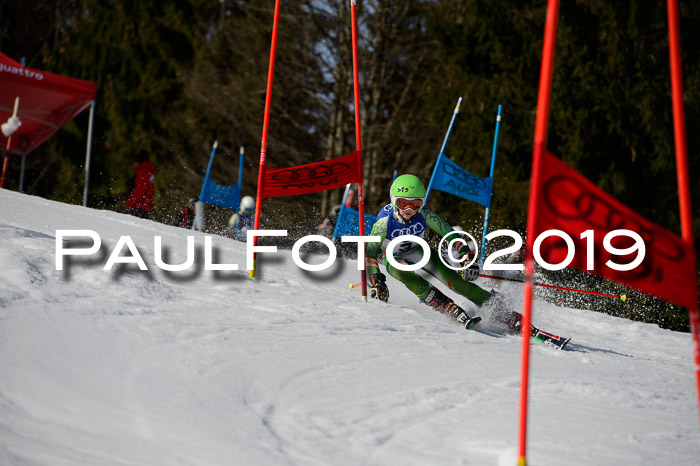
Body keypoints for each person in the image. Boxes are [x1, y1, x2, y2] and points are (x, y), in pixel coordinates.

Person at [365, 174, 516, 331]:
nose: (409, 209)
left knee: (456, 283)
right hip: (393, 256)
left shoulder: (424, 215)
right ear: (393, 200)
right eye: (403, 203)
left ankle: (493, 303)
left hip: (418, 249)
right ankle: (444, 305)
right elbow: (370, 253)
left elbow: (450, 234)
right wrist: (376, 280)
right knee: (402, 271)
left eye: (416, 204)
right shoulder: (383, 222)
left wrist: (466, 256)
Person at [122, 151, 156, 219]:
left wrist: (130, 206)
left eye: (134, 161)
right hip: (144, 207)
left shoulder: (143, 172)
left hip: (140, 207)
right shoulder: (148, 171)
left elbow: (140, 191)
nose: (133, 164)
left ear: (138, 161)